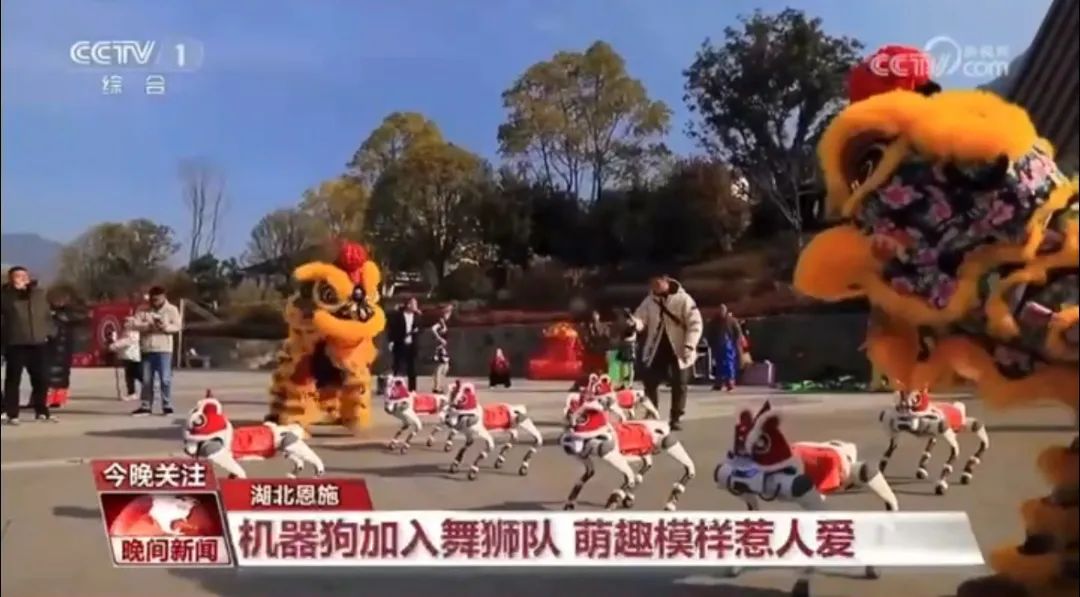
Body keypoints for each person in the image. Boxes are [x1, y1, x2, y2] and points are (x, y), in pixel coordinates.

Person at [628, 276, 703, 430]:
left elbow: (695, 323)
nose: (654, 285)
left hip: (679, 347)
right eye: (652, 283)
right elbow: (641, 319)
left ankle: (676, 417)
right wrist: (634, 323)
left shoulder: (683, 299)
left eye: (658, 282)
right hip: (657, 347)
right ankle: (652, 413)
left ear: (666, 281)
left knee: (680, 383)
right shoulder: (649, 301)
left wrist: (690, 344)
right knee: (650, 381)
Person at [1, 266, 57, 424]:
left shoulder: (39, 293)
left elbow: (47, 314)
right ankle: (12, 414)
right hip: (15, 342)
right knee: (13, 379)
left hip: (38, 341)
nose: (22, 278)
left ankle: (42, 411)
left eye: (24, 275)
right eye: (17, 276)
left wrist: (50, 332)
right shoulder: (5, 295)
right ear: (11, 279)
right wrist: (15, 292)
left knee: (41, 378)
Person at [130, 286, 182, 416]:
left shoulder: (172, 309)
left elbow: (177, 326)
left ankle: (166, 404)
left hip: (164, 349)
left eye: (157, 299)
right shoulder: (143, 309)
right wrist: (148, 326)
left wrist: (165, 327)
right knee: (146, 379)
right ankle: (146, 406)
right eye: (152, 300)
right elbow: (134, 324)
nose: (154, 302)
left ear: (163, 297)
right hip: (147, 348)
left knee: (165, 378)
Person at [45, 289, 86, 409]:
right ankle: (54, 398)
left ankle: (56, 398)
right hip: (59, 346)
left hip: (60, 346)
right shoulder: (61, 315)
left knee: (58, 374)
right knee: (55, 374)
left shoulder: (63, 314)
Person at [388, 297, 422, 391]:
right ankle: (396, 388)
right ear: (408, 305)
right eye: (414, 304)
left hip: (412, 345)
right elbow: (392, 329)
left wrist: (417, 330)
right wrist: (391, 341)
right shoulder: (398, 316)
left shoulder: (417, 316)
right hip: (400, 344)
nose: (416, 306)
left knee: (412, 368)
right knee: (398, 367)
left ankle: (412, 390)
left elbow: (421, 328)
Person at [709, 304, 745, 391]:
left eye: (722, 310)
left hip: (729, 345)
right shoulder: (714, 321)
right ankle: (718, 383)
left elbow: (738, 332)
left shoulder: (731, 320)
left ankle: (730, 383)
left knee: (729, 364)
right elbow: (709, 332)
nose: (721, 312)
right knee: (719, 364)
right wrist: (711, 343)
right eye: (720, 310)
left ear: (725, 311)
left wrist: (736, 343)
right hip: (718, 345)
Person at [108, 316, 142, 401]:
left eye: (128, 322)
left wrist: (115, 345)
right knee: (130, 375)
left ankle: (136, 392)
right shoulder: (125, 331)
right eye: (125, 321)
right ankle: (132, 392)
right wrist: (114, 340)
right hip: (127, 356)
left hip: (133, 357)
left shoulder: (134, 331)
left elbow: (128, 341)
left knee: (136, 374)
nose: (125, 323)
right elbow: (122, 341)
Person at [609, 308, 637, 389]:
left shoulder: (631, 322)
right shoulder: (623, 322)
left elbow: (631, 333)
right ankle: (622, 383)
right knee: (622, 365)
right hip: (623, 344)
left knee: (630, 365)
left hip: (629, 345)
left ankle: (630, 384)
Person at [430, 303, 453, 393]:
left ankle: (437, 385)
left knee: (445, 366)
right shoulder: (441, 321)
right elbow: (433, 329)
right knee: (442, 365)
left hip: (444, 347)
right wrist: (440, 338)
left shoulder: (445, 322)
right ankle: (437, 387)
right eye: (448, 312)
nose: (449, 314)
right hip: (440, 347)